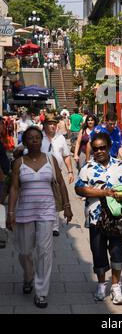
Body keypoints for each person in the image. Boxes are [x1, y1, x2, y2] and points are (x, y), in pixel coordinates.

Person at [6, 126, 73, 308]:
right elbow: (14, 188)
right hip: (24, 212)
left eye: (37, 137)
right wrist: (10, 213)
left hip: (46, 211)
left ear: (41, 140)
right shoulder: (19, 163)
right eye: (31, 138)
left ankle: (41, 292)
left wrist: (67, 206)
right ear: (25, 142)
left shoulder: (50, 160)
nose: (35, 141)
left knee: (44, 252)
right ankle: (28, 276)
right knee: (25, 251)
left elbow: (60, 183)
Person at [75, 132, 122, 305]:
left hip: (116, 217)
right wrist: (104, 192)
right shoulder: (87, 168)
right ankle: (101, 284)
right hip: (95, 217)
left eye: (103, 147)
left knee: (116, 250)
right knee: (97, 250)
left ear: (109, 147)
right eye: (96, 148)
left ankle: (115, 286)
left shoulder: (121, 166)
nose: (99, 151)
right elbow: (79, 189)